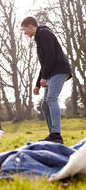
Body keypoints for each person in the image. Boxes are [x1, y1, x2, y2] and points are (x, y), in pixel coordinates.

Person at [21, 16, 71, 144]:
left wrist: (44, 77)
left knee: (51, 99)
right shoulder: (39, 38)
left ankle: (56, 135)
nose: (25, 32)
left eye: (24, 29)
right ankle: (53, 136)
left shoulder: (43, 32)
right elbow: (44, 64)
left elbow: (51, 55)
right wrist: (37, 84)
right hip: (52, 72)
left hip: (59, 69)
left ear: (30, 26)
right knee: (45, 105)